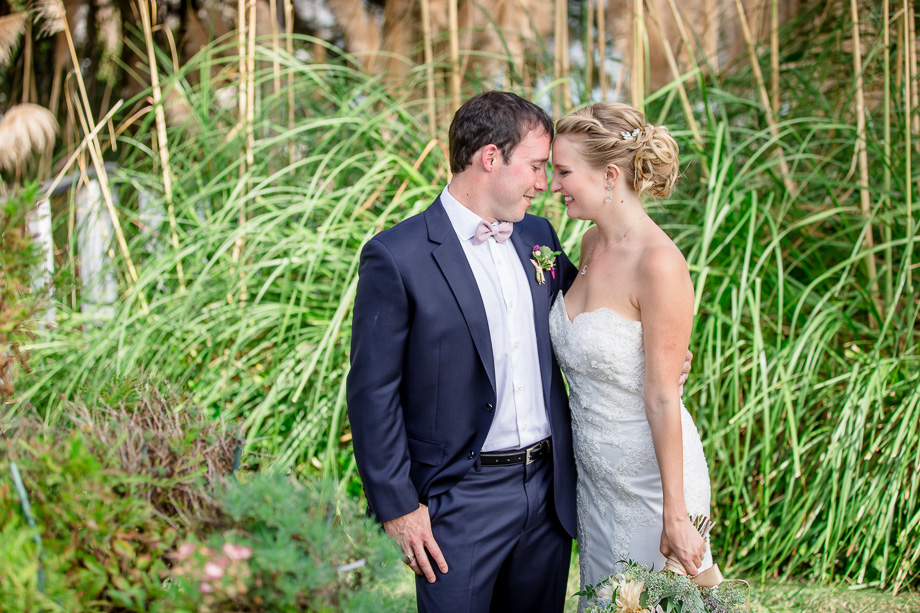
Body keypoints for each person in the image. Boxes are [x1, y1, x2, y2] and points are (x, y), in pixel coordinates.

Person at [346, 91, 579, 613]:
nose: (544, 183)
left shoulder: (538, 235)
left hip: (547, 493)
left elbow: (584, 316)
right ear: (490, 157)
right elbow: (371, 392)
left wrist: (651, 342)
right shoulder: (396, 256)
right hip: (459, 498)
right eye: (536, 166)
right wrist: (399, 506)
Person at [547, 101, 712, 609]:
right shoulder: (591, 242)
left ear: (610, 175)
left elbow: (663, 397)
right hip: (597, 477)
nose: (554, 185)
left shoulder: (660, 263)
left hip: (651, 478)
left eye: (564, 172)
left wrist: (676, 513)